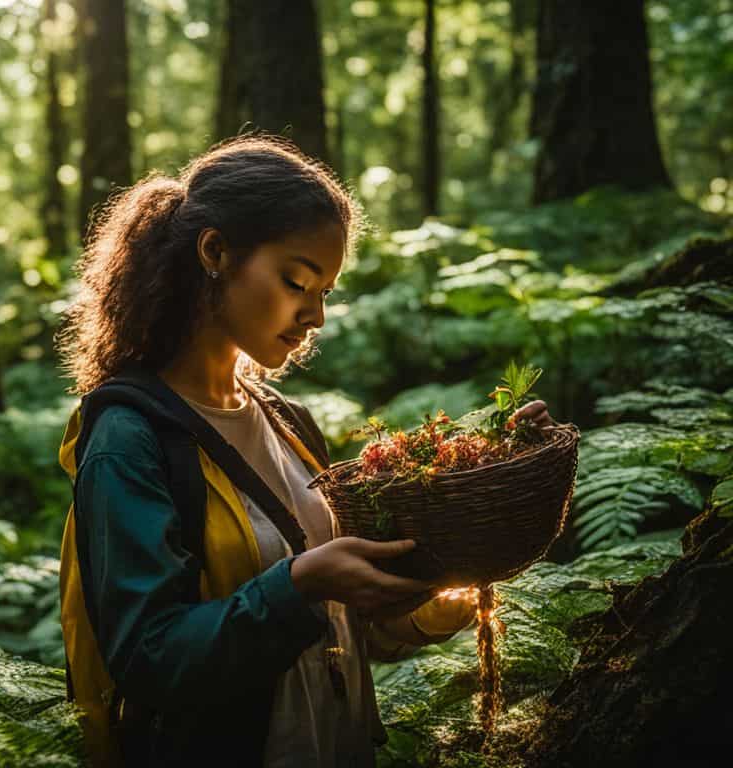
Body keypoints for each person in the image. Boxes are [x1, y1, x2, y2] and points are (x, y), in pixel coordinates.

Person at [54, 135, 556, 768]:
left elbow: (351, 628)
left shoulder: (288, 422)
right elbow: (151, 659)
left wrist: (459, 555)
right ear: (215, 252)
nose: (315, 315)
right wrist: (298, 584)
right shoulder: (129, 439)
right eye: (297, 281)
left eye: (326, 293)